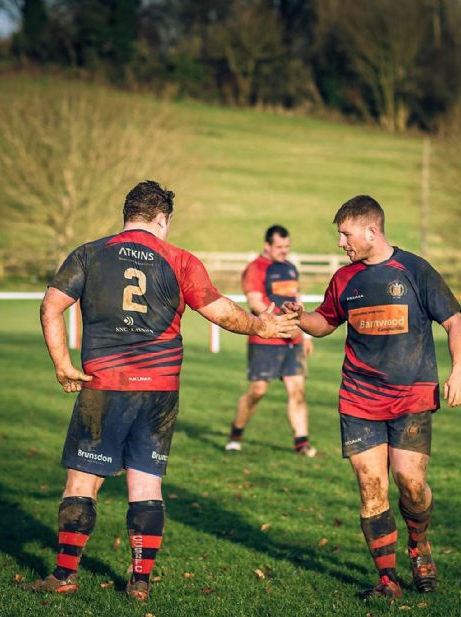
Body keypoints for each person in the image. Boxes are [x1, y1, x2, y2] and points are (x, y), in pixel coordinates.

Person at [24, 181, 298, 600]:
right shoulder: (179, 259)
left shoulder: (90, 253)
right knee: (146, 484)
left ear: (127, 215)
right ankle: (139, 582)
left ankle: (63, 576)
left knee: (82, 481)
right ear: (161, 219)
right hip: (159, 390)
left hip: (105, 386)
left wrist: (63, 365)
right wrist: (261, 324)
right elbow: (220, 310)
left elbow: (50, 306)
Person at [282, 195, 461, 600]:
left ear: (372, 230)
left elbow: (455, 323)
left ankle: (418, 545)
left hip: (412, 397)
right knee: (371, 487)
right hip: (359, 397)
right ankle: (387, 580)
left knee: (411, 483)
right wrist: (301, 318)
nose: (341, 243)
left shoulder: (416, 271)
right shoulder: (345, 279)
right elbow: (324, 321)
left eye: (346, 234)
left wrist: (459, 372)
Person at [225, 225, 316, 457]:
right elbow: (255, 302)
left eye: (287, 247)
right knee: (258, 391)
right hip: (265, 338)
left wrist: (303, 333)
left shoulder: (290, 269)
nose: (284, 251)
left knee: (297, 390)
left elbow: (297, 300)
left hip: (292, 339)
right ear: (267, 245)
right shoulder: (255, 268)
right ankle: (236, 434)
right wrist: (278, 324)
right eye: (279, 247)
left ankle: (301, 442)